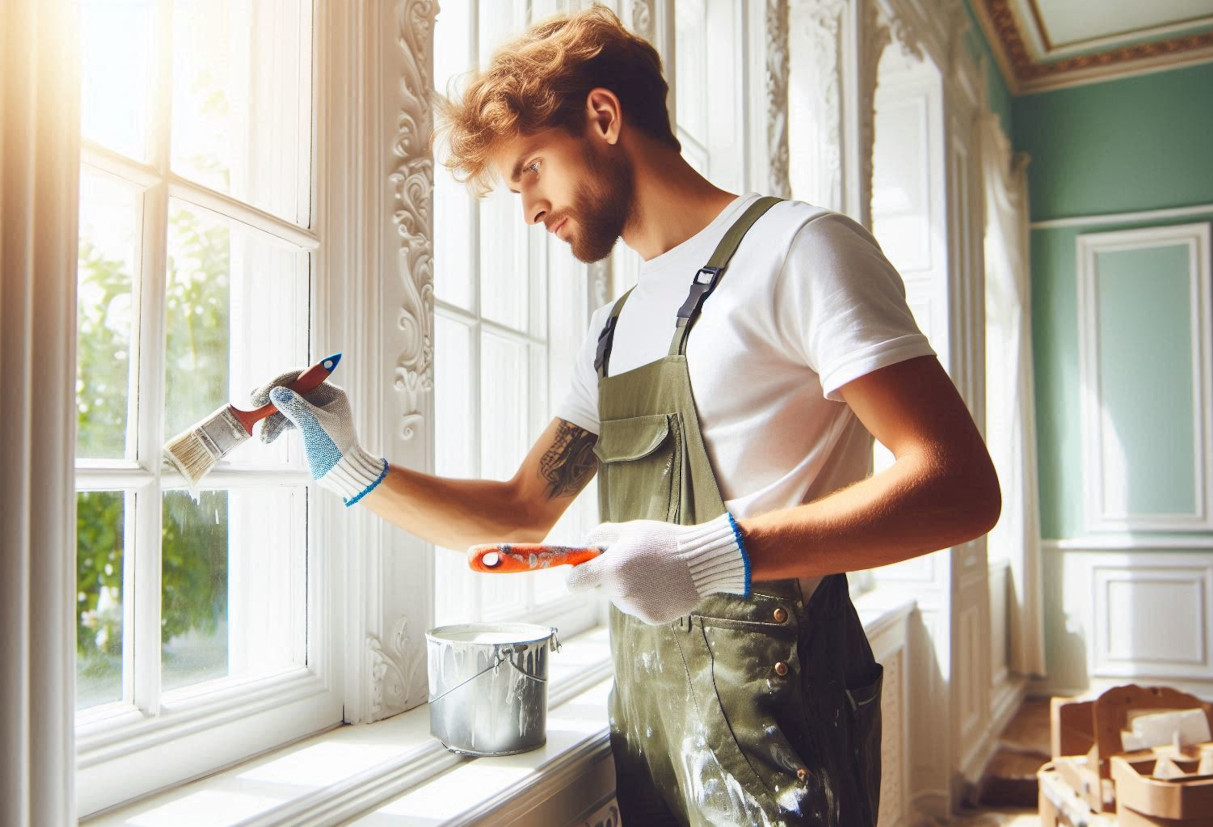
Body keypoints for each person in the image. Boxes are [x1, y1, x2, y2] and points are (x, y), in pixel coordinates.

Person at [252, 7, 1000, 826]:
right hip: (653, 736)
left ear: (603, 117)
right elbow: (519, 513)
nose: (529, 209)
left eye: (532, 168)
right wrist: (353, 468)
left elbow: (958, 486)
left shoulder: (800, 249)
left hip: (783, 727)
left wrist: (711, 556)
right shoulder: (612, 332)